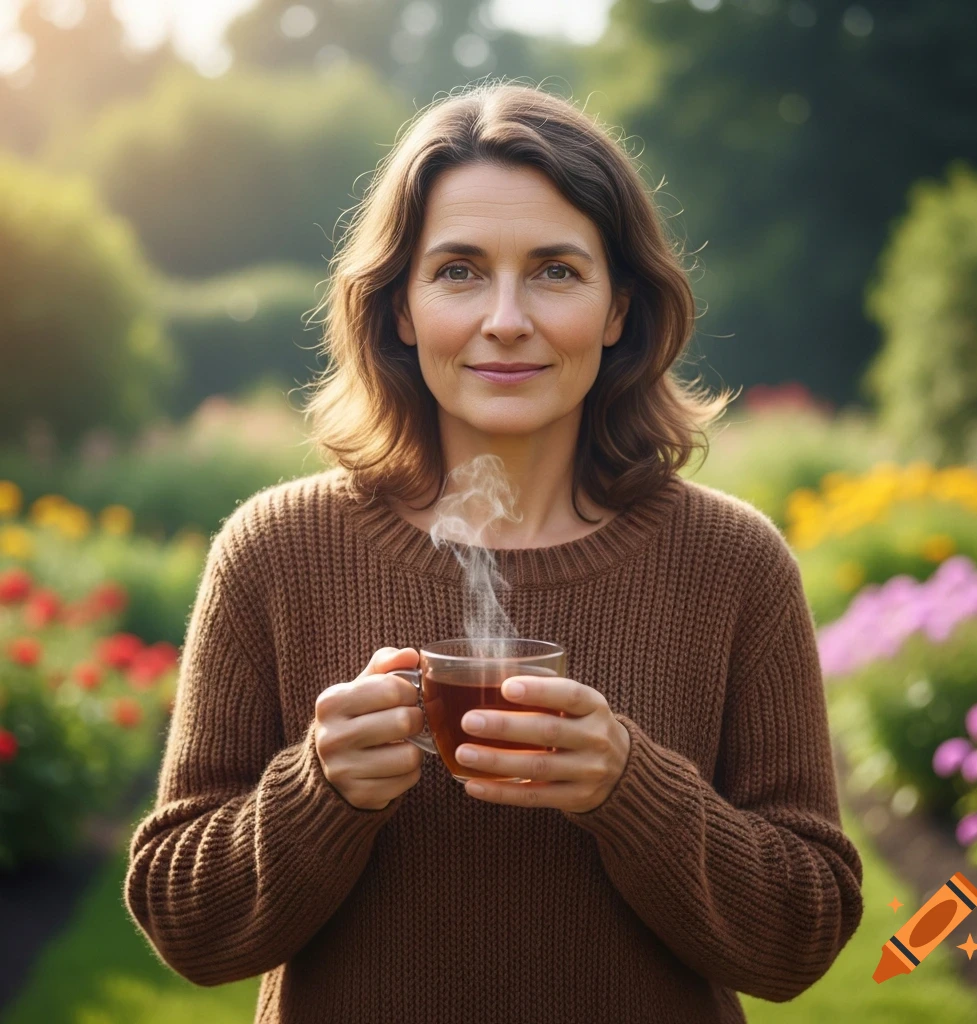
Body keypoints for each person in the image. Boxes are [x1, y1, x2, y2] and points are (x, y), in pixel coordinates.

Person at [124, 79, 863, 1024]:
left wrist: (627, 786)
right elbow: (188, 928)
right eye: (459, 270)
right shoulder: (274, 552)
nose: (505, 318)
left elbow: (802, 937)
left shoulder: (732, 564)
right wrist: (321, 789)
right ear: (398, 308)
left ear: (619, 309)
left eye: (555, 271)